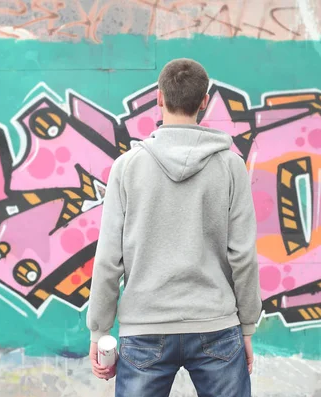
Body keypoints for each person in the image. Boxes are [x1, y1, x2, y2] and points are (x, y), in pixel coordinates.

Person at [87, 58, 262, 397]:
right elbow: (243, 255)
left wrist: (99, 331)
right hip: (216, 324)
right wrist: (247, 327)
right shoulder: (230, 166)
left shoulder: (127, 167)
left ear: (159, 98)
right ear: (203, 102)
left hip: (144, 328)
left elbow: (109, 258)